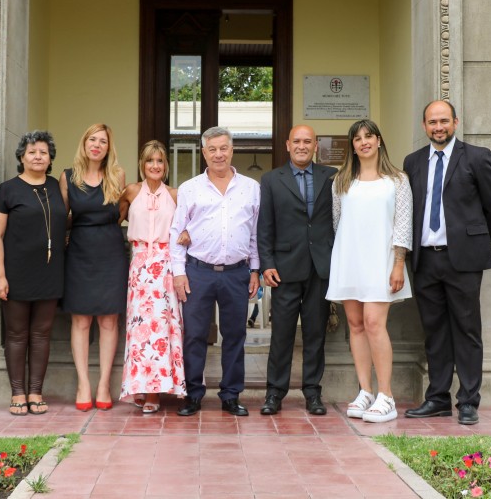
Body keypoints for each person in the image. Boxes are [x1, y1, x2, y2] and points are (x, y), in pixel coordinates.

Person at [403, 100, 491, 426]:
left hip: (462, 260)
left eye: (444, 121)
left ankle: (468, 401)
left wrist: (472, 242)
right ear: (424, 126)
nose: (438, 127)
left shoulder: (476, 157)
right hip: (425, 260)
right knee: (434, 332)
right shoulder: (413, 162)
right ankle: (437, 398)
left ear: (455, 122)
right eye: (432, 122)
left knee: (466, 330)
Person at [326, 119, 413, 423]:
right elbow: (338, 224)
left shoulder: (398, 181)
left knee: (375, 324)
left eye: (368, 137)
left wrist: (398, 263)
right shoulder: (342, 182)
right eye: (357, 138)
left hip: (382, 261)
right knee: (355, 324)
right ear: (352, 145)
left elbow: (402, 225)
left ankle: (386, 396)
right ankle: (365, 391)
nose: (363, 142)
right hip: (349, 259)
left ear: (378, 141)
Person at [170, 126, 260, 417]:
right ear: (204, 153)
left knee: (235, 335)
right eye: (212, 149)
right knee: (195, 334)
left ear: (232, 150)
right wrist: (179, 273)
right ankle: (193, 394)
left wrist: (255, 270)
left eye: (224, 148)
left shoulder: (251, 187)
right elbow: (176, 232)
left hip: (237, 273)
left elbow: (256, 234)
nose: (219, 154)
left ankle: (231, 395)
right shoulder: (189, 188)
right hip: (198, 271)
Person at [257, 125, 336, 416]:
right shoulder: (271, 180)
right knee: (282, 335)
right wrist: (267, 264)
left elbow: (338, 222)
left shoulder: (332, 177)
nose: (302, 146)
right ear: (287, 145)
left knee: (316, 334)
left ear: (316, 145)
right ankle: (274, 393)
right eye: (297, 141)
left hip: (320, 268)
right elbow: (264, 226)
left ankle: (313, 393)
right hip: (284, 270)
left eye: (308, 141)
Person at [0, 131, 66, 416]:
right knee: (17, 334)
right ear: (22, 156)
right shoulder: (7, 190)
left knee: (42, 334)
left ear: (50, 158)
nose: (38, 156)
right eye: (32, 151)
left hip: (50, 272)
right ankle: (17, 393)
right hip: (16, 273)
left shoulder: (56, 187)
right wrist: (0, 276)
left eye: (43, 152)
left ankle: (36, 391)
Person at [61, 124, 128, 411]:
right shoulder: (68, 177)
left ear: (108, 147)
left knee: (109, 320)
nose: (97, 145)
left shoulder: (117, 175)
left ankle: (103, 384)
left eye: (103, 141)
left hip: (111, 251)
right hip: (79, 251)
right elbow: (63, 217)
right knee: (81, 320)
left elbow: (121, 215)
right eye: (92, 139)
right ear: (84, 143)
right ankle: (83, 384)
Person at [118, 140, 187, 413]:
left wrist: (186, 234)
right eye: (150, 161)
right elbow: (112, 221)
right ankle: (138, 385)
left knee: (161, 328)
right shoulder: (131, 192)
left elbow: (191, 225)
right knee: (138, 329)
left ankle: (156, 392)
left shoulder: (175, 194)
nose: (155, 166)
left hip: (165, 266)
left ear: (165, 165)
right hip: (138, 266)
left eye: (159, 161)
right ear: (142, 164)